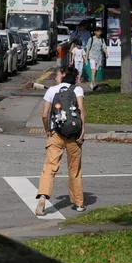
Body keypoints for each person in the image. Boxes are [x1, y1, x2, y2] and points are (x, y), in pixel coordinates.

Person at [35, 68, 86, 216]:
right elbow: (81, 110)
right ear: (75, 78)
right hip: (74, 135)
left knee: (49, 168)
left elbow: (44, 115)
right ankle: (79, 203)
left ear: (62, 76)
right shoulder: (78, 90)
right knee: (74, 169)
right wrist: (82, 131)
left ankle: (42, 199)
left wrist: (48, 130)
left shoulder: (51, 90)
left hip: (55, 134)